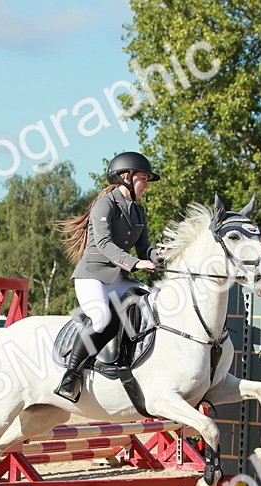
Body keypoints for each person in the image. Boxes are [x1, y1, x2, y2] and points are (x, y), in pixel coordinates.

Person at [53, 151, 161, 401]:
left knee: (153, 301)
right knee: (101, 318)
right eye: (143, 179)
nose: (146, 185)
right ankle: (70, 375)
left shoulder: (139, 212)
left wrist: (160, 256)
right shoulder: (106, 204)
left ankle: (127, 360)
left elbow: (145, 249)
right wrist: (135, 263)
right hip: (92, 275)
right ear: (126, 177)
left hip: (118, 277)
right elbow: (103, 244)